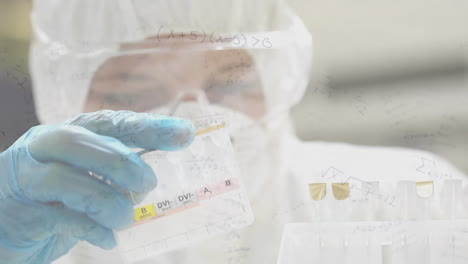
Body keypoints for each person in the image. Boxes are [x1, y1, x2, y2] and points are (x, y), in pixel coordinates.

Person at [0, 0, 466, 263]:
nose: (190, 122)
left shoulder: (407, 207)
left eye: (229, 82)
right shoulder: (33, 245)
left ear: (280, 76)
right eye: (136, 92)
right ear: (63, 97)